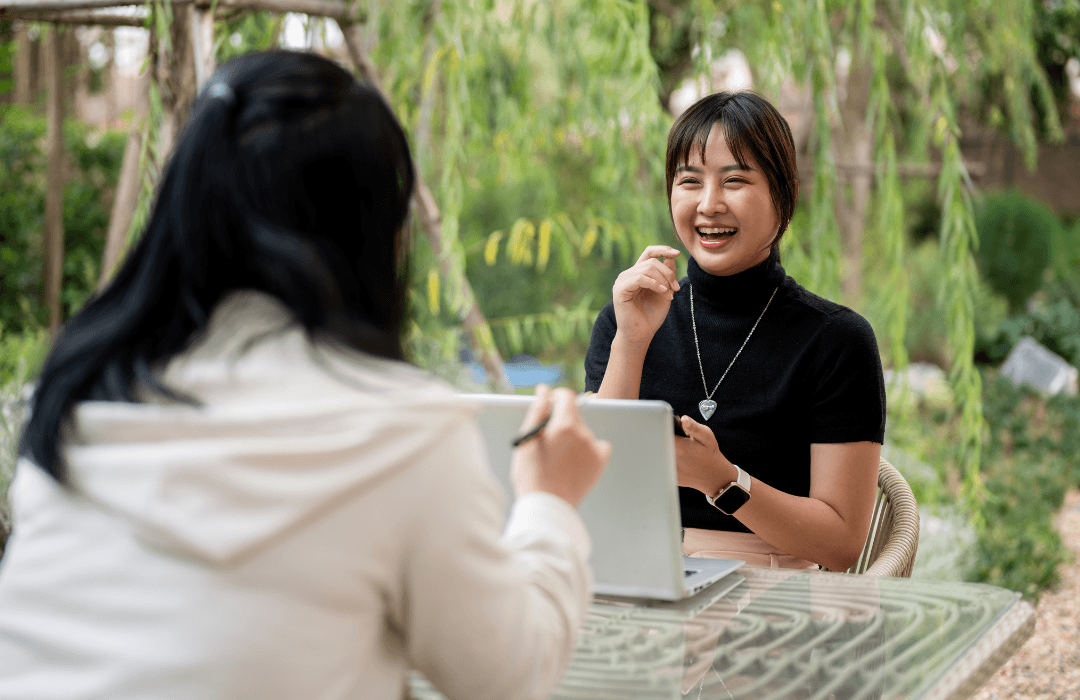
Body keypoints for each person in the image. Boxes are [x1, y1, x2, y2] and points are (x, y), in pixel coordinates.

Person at [0, 50, 611, 700]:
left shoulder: (78, 391)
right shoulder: (400, 430)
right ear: (374, 231)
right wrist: (548, 501)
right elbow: (506, 675)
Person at [584, 91, 885, 572]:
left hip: (770, 601)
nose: (709, 204)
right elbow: (594, 484)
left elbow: (842, 542)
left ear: (783, 196)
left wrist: (724, 482)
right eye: (689, 181)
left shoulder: (836, 341)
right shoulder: (626, 320)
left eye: (735, 180)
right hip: (633, 579)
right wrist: (632, 343)